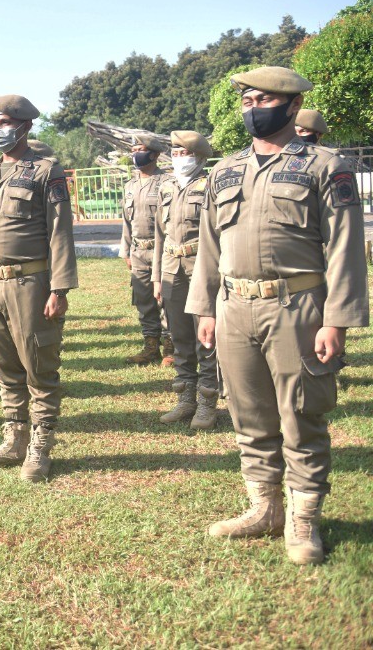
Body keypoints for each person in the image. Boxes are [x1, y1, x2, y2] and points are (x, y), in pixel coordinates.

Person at [188, 66, 368, 565]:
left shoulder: (325, 166)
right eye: (246, 101)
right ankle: (264, 508)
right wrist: (203, 308)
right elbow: (208, 246)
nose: (252, 109)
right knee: (249, 412)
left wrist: (337, 320)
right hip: (234, 308)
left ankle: (304, 518)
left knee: (302, 414)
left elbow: (346, 248)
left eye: (262, 100)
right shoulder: (224, 170)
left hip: (298, 307)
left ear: (291, 106)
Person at [0, 96, 78, 482]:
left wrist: (60, 288)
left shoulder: (46, 171)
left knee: (38, 364)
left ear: (24, 126)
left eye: (4, 123)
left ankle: (40, 446)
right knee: (3, 365)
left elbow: (59, 231)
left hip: (31, 283)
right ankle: (13, 438)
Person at [149, 131, 220, 431]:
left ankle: (207, 402)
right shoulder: (166, 186)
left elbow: (217, 234)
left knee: (205, 338)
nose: (179, 159)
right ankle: (185, 398)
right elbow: (158, 235)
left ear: (200, 157)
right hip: (170, 269)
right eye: (175, 154)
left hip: (200, 268)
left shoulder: (209, 186)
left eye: (185, 154)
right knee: (179, 336)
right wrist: (155, 277)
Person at [121, 135, 174, 364]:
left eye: (140, 149)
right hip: (139, 252)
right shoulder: (130, 185)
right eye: (133, 150)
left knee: (166, 299)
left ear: (154, 154)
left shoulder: (168, 182)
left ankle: (171, 348)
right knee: (143, 300)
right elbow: (126, 221)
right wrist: (125, 251)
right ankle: (150, 346)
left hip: (162, 252)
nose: (135, 154)